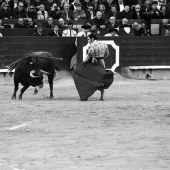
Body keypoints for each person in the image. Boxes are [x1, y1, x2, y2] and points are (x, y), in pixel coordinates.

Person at [72, 34, 114, 101]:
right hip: (102, 63)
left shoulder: (92, 45)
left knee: (88, 77)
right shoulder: (104, 44)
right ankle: (102, 97)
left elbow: (90, 54)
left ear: (92, 38)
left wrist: (83, 63)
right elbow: (107, 54)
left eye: (88, 39)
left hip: (93, 63)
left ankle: (86, 95)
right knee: (101, 78)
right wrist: (102, 58)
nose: (88, 41)